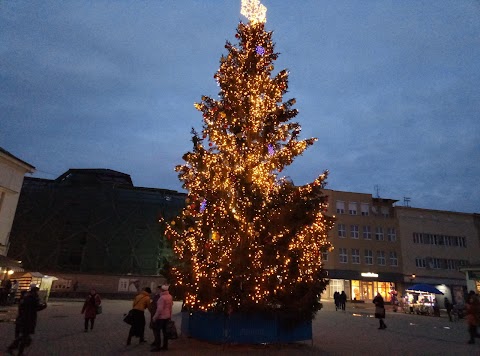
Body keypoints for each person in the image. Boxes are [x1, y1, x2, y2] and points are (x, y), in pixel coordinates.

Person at [7, 284, 47, 355]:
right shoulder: (32, 298)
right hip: (28, 319)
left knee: (24, 335)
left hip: (22, 318)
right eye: (36, 290)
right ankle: (17, 350)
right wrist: (43, 306)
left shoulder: (26, 297)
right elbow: (35, 308)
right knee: (25, 336)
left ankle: (14, 347)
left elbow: (23, 308)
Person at [151, 284, 173, 352]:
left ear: (162, 290)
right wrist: (170, 315)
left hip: (160, 318)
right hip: (167, 317)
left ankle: (157, 346)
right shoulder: (170, 296)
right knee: (165, 332)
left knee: (157, 332)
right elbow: (170, 308)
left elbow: (159, 309)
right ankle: (165, 346)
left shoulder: (162, 298)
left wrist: (155, 317)